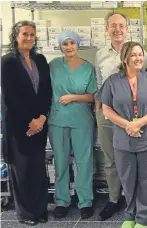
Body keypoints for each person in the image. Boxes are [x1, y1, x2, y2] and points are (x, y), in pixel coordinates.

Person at [96, 41, 147, 228]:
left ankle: (144, 218)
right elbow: (107, 109)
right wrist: (128, 124)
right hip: (123, 139)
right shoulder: (112, 81)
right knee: (127, 179)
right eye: (134, 55)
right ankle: (130, 214)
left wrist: (140, 123)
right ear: (125, 58)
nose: (138, 58)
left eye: (140, 55)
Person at [95, 12, 147, 221]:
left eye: (121, 25)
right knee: (111, 160)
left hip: (135, 117)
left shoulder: (139, 51)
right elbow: (99, 85)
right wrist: (98, 112)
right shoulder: (100, 54)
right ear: (107, 29)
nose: (117, 29)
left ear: (128, 28)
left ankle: (135, 200)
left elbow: (146, 83)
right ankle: (114, 198)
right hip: (108, 114)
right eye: (113, 26)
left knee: (136, 159)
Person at [1, 20, 52, 226]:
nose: (29, 38)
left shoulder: (40, 59)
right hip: (18, 125)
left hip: (39, 123)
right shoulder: (7, 62)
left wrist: (41, 118)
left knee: (38, 169)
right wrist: (29, 121)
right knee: (21, 170)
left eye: (32, 34)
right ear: (15, 37)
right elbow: (10, 97)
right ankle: (25, 213)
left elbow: (47, 90)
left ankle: (40, 210)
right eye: (25, 34)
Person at [48, 30, 97, 219]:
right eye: (65, 44)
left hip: (81, 120)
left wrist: (74, 97)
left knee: (83, 162)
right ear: (60, 46)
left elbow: (93, 96)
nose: (69, 47)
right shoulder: (52, 66)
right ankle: (61, 201)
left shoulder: (88, 68)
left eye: (72, 43)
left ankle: (85, 201)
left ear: (78, 45)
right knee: (60, 162)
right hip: (57, 120)